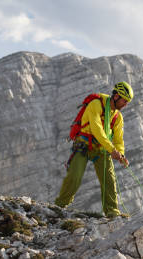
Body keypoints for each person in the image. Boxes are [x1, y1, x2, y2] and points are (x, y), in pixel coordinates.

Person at [55, 82, 133, 217]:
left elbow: (119, 140)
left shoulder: (117, 117)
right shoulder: (96, 104)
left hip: (102, 149)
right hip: (83, 145)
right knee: (75, 176)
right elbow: (97, 130)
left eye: (127, 102)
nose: (125, 104)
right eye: (124, 101)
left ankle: (112, 212)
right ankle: (60, 206)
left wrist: (120, 153)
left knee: (109, 180)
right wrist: (111, 149)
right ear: (115, 96)